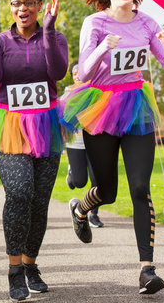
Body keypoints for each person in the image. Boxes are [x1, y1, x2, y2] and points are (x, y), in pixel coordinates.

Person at [62, 0, 164, 295]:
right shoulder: (94, 22)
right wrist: (102, 47)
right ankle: (81, 207)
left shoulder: (146, 23)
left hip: (136, 105)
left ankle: (147, 269)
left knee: (141, 187)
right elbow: (83, 72)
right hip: (99, 105)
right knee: (108, 192)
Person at [0, 0, 68, 301]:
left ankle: (30, 264)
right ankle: (13, 270)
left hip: (46, 123)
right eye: (16, 4)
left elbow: (58, 71)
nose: (22, 9)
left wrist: (49, 30)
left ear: (40, 5)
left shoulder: (56, 35)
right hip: (8, 123)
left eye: (28, 3)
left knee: (39, 200)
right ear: (11, 8)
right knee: (21, 191)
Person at [63, 62, 104, 228]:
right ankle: (72, 172)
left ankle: (93, 214)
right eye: (74, 73)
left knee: (98, 181)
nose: (77, 76)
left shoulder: (97, 90)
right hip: (76, 142)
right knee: (79, 182)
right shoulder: (67, 93)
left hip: (95, 142)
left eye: (81, 72)